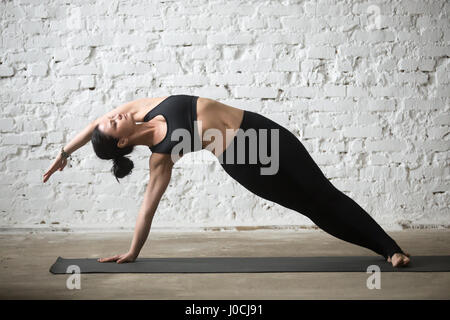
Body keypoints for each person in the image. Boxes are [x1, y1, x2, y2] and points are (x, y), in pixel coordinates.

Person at [42, 94, 410, 267]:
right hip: (242, 160)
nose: (113, 113)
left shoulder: (140, 109)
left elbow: (94, 126)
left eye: (110, 115)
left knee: (324, 192)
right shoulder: (160, 157)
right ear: (121, 141)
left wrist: (65, 152)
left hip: (262, 130)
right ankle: (388, 253)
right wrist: (134, 251)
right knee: (310, 206)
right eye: (111, 121)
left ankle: (388, 245)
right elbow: (147, 210)